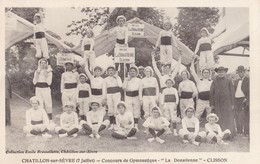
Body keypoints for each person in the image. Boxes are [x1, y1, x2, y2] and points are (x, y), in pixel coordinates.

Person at [210, 66, 236, 139]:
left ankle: (230, 134)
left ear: (225, 72)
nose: (221, 73)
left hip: (227, 103)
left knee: (228, 118)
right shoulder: (214, 81)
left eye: (222, 71)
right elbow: (211, 93)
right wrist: (212, 104)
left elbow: (232, 92)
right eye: (219, 72)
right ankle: (220, 135)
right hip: (218, 103)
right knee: (219, 118)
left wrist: (232, 104)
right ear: (217, 72)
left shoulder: (229, 81)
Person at [122, 65, 142, 130]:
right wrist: (126, 80)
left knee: (136, 111)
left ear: (136, 72)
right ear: (129, 72)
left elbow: (140, 89)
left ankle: (136, 125)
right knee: (129, 111)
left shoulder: (139, 80)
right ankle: (131, 125)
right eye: (131, 71)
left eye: (134, 71)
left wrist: (140, 99)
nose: (132, 72)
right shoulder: (126, 79)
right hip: (128, 96)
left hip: (136, 96)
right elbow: (124, 87)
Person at [104, 66, 122, 130]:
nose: (110, 72)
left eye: (112, 70)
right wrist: (105, 98)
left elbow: (120, 85)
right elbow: (104, 89)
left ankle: (117, 124)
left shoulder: (117, 77)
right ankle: (112, 124)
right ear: (107, 72)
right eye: (109, 71)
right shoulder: (105, 79)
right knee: (110, 109)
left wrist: (116, 77)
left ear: (114, 71)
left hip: (116, 94)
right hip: (109, 94)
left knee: (116, 108)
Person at [234, 65, 250, 136]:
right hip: (236, 99)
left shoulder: (248, 80)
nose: (240, 74)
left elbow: (249, 91)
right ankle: (239, 130)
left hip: (244, 99)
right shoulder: (236, 81)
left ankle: (246, 132)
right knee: (237, 115)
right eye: (239, 73)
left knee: (244, 116)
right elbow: (234, 90)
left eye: (241, 72)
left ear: (244, 72)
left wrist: (246, 98)